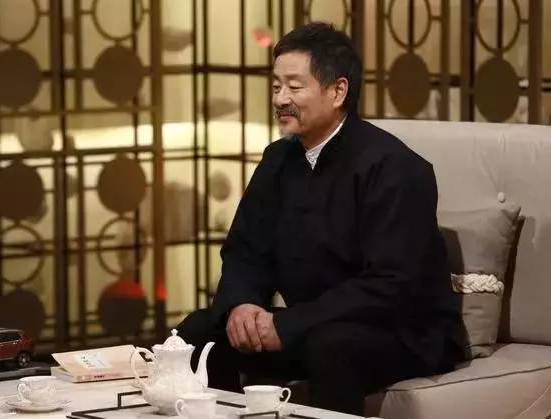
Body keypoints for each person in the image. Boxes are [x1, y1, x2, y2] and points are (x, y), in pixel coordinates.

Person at [177, 22, 465, 415]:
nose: (280, 99)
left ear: (338, 91)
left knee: (331, 346)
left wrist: (289, 325)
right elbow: (245, 252)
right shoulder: (277, 160)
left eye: (294, 87)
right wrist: (242, 306)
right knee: (199, 331)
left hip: (403, 331)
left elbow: (391, 285)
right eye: (276, 86)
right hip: (313, 323)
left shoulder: (395, 168)